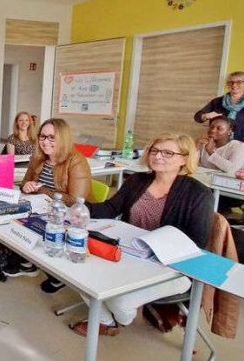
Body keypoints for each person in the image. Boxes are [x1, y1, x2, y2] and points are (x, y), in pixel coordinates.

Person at [69, 134, 214, 337]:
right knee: (77, 271)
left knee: (120, 302)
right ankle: (107, 321)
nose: (158, 156)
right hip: (129, 255)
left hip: (171, 268)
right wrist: (76, 208)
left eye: (168, 152)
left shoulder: (199, 194)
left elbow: (197, 243)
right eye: (154, 151)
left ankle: (120, 319)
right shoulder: (137, 180)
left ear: (184, 159)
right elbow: (111, 208)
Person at [4, 118, 91, 280]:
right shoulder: (38, 157)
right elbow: (24, 184)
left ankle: (49, 272)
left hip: (66, 217)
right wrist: (27, 187)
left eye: (52, 137)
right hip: (39, 208)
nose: (45, 142)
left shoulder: (76, 161)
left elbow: (76, 201)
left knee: (25, 225)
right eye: (42, 136)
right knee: (7, 219)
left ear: (62, 138)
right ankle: (26, 261)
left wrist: (42, 190)